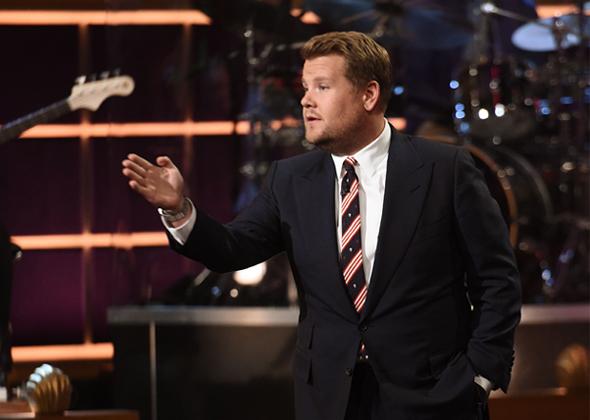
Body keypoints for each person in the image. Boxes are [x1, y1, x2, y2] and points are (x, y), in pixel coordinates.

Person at [122, 31, 521, 420]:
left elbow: (497, 280)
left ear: (369, 95)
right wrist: (179, 210)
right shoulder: (290, 180)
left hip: (434, 398)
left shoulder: (445, 170)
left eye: (322, 87)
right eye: (305, 87)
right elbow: (230, 249)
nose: (306, 100)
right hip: (331, 398)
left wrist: (479, 377)